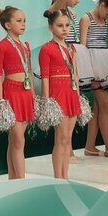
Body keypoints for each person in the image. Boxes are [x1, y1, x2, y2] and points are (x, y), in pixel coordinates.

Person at [39, 9, 82, 178]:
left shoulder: (72, 48)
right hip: (57, 95)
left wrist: (77, 96)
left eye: (67, 25)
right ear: (51, 27)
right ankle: (58, 177)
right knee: (61, 138)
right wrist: (46, 101)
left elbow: (76, 74)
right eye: (60, 26)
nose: (64, 29)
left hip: (71, 94)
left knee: (67, 139)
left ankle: (66, 175)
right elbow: (45, 77)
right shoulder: (46, 49)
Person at [0, 5, 34, 179]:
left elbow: (29, 72)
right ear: (8, 25)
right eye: (19, 21)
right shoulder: (1, 46)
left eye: (24, 21)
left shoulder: (25, 46)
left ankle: (13, 178)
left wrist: (32, 95)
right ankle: (21, 180)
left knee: (16, 140)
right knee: (18, 140)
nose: (23, 24)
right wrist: (0, 101)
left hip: (26, 94)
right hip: (11, 93)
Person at [80, 0, 108, 157]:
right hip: (92, 64)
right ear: (102, 5)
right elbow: (82, 46)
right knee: (105, 106)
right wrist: (89, 71)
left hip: (104, 62)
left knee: (99, 108)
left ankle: (89, 146)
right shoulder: (86, 18)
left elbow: (104, 42)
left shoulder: (105, 20)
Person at [46, 0, 94, 90]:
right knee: (66, 85)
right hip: (63, 50)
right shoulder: (57, 9)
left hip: (75, 50)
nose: (78, 0)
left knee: (75, 86)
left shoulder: (71, 12)